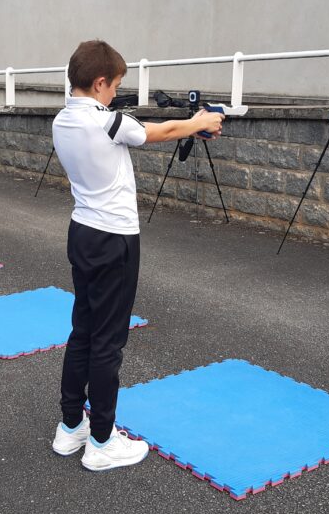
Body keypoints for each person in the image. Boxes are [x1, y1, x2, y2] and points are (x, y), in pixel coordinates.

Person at [49, 40, 224, 471]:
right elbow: (153, 132)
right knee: (108, 340)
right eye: (115, 86)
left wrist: (189, 126)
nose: (116, 94)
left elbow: (136, 127)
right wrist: (197, 121)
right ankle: (103, 441)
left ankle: (72, 427)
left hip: (83, 232)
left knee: (84, 332)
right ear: (100, 82)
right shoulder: (105, 121)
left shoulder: (62, 118)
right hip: (114, 240)